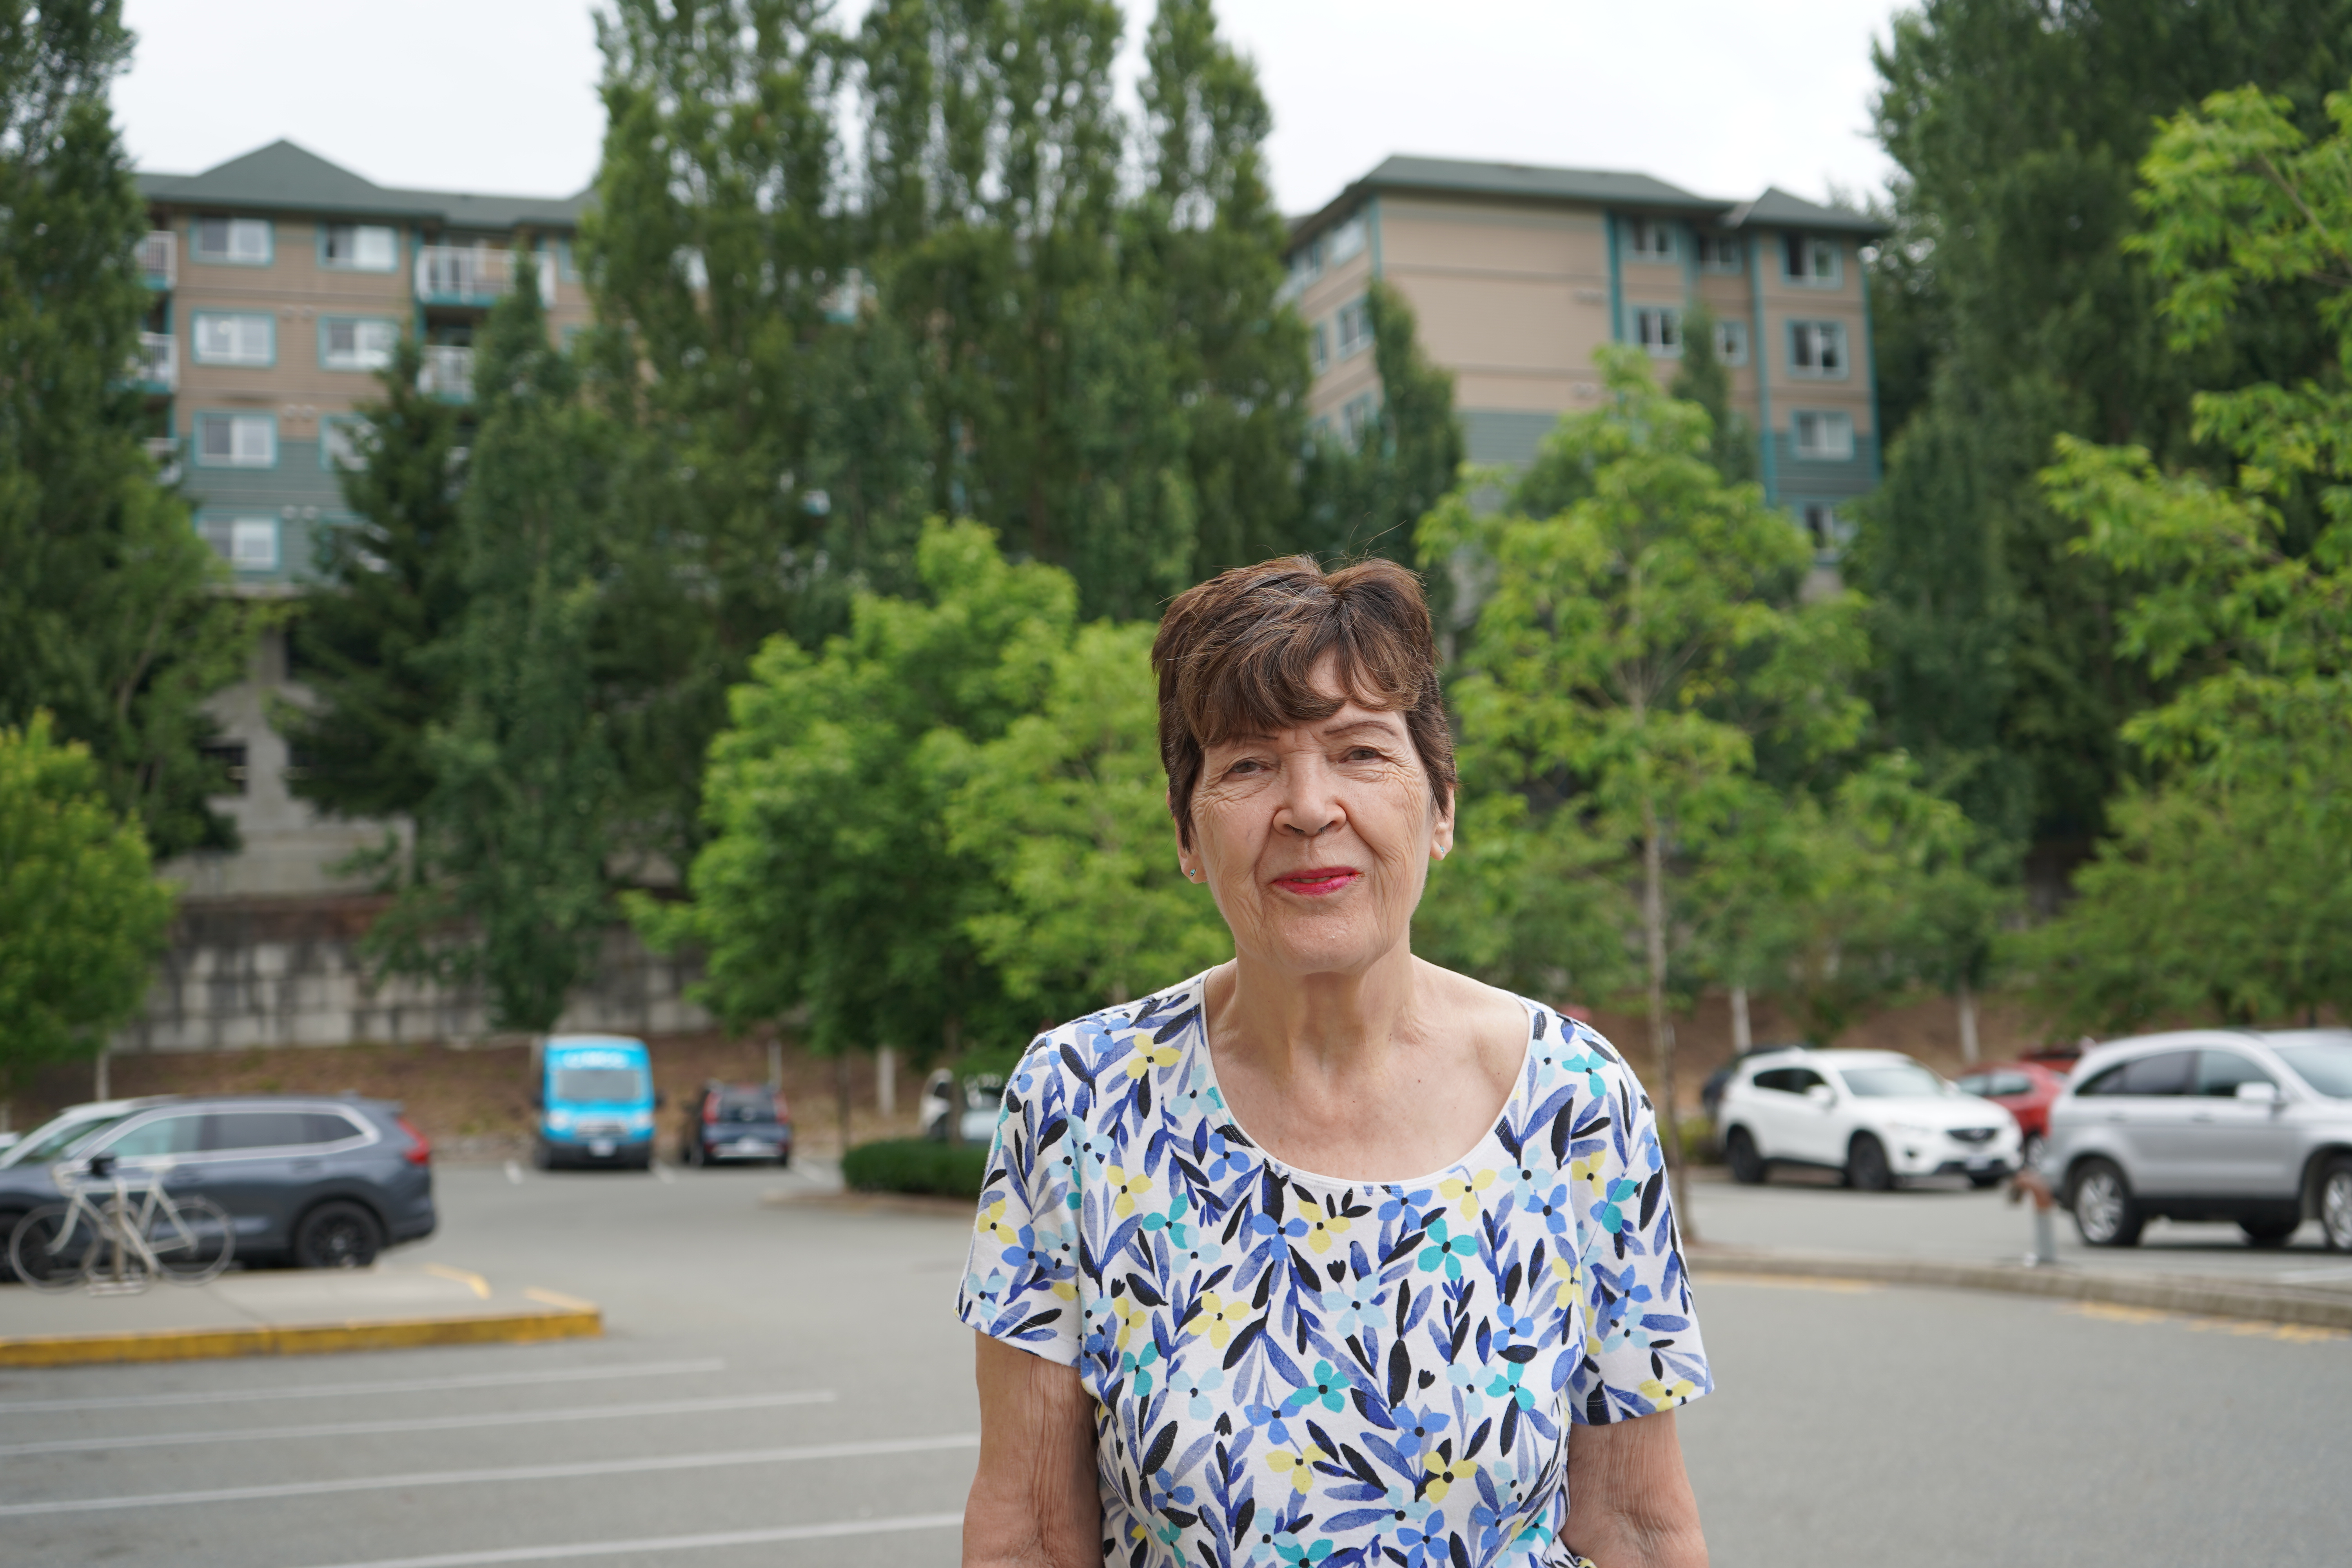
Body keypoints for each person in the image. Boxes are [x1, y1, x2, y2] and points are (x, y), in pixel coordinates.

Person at [958, 557, 1711, 1568]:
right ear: (1188, 833)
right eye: (1248, 765)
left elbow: (1637, 1525)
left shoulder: (1577, 1101)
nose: (1310, 807)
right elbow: (1033, 1536)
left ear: (1440, 807)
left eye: (1360, 752)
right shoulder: (1078, 1101)